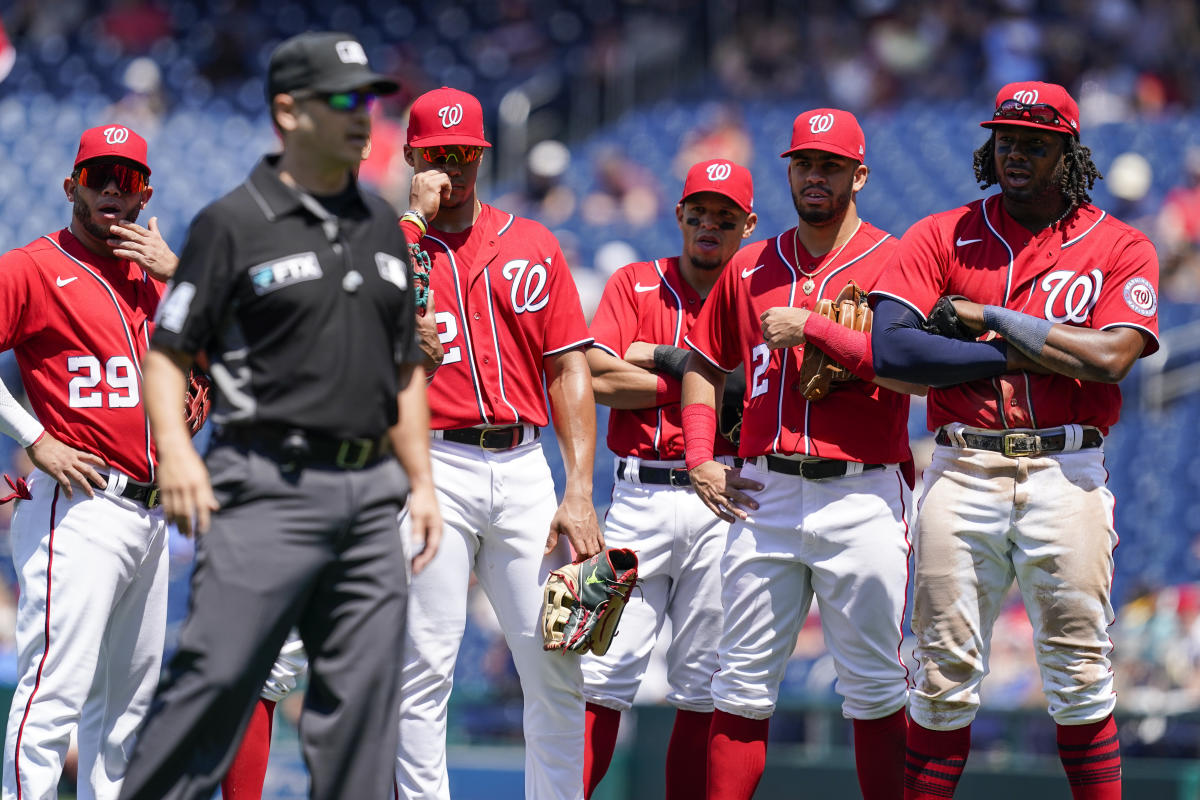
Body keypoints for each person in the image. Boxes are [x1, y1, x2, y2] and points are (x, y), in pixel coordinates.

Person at [115, 31, 441, 800]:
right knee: (216, 685)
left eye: (369, 99)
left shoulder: (377, 221)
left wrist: (421, 481)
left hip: (370, 497)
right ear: (289, 111)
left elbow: (402, 374)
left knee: (363, 712)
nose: (364, 116)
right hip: (265, 484)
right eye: (343, 100)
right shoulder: (233, 223)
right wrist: (179, 454)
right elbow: (167, 354)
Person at [870, 81, 1159, 800]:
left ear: (1070, 152)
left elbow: (1114, 358)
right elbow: (894, 354)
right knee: (939, 675)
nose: (1016, 154)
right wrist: (1018, 349)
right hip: (963, 462)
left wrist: (988, 317)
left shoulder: (1121, 245)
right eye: (1006, 140)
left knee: (1080, 671)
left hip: (1067, 468)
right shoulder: (941, 234)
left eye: (1035, 142)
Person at [682, 108, 920, 800]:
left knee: (876, 688)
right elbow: (701, 363)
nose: (815, 176)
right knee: (741, 685)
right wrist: (701, 454)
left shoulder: (895, 259)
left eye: (831, 165)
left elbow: (916, 373)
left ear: (860, 174)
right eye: (804, 164)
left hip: (863, 490)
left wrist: (819, 330)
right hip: (765, 492)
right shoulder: (751, 264)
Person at [394, 86, 602, 800]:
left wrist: (578, 488)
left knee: (555, 664)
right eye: (437, 154)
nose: (453, 167)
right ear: (411, 158)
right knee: (424, 666)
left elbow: (569, 366)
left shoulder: (532, 242)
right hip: (434, 466)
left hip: (522, 468)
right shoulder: (388, 248)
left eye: (465, 153)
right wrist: (413, 221)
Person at [0, 123, 178, 799]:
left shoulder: (159, 277)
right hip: (77, 506)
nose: (111, 189)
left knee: (128, 712)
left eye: (126, 179)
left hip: (154, 513)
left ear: (145, 195)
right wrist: (32, 435)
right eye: (98, 176)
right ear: (70, 185)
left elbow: (248, 344)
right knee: (54, 696)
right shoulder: (32, 265)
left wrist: (180, 274)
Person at [581, 158, 757, 799]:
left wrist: (656, 361)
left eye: (725, 217)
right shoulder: (634, 282)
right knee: (596, 670)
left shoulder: (761, 289)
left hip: (726, 500)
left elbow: (751, 390)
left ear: (748, 224)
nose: (709, 226)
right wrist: (702, 382)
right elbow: (597, 379)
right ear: (679, 214)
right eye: (698, 213)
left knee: (703, 684)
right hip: (637, 496)